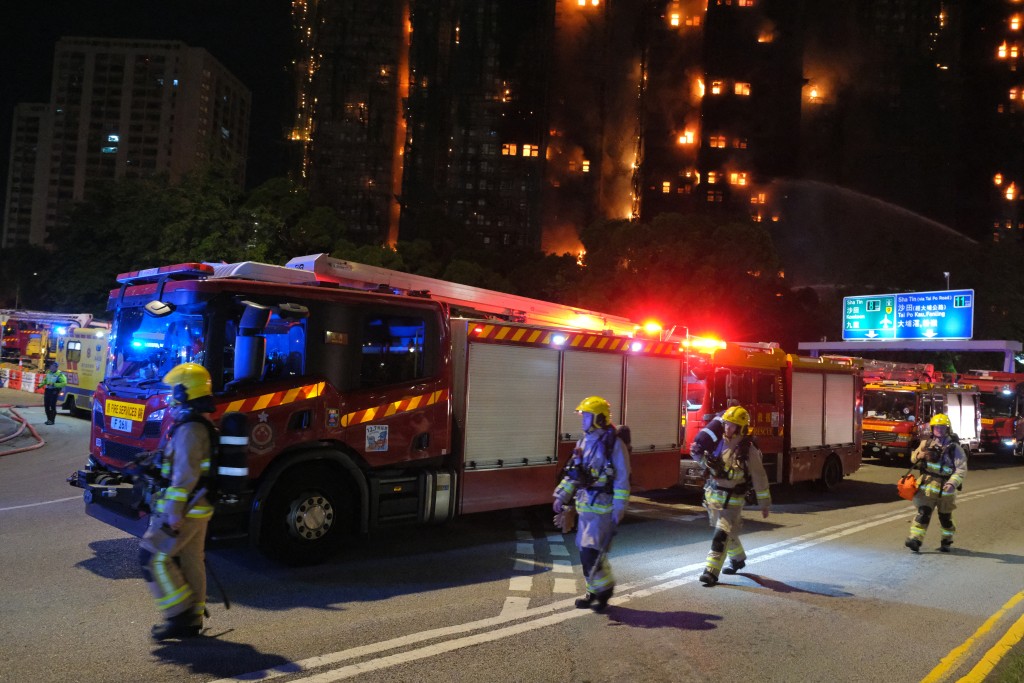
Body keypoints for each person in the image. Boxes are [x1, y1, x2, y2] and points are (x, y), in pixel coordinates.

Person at [140, 362, 216, 640]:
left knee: (151, 556)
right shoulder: (200, 425)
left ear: (185, 393)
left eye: (175, 391)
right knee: (192, 559)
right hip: (200, 507)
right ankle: (193, 618)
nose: (171, 398)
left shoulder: (190, 429)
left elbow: (186, 474)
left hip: (186, 510)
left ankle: (178, 616)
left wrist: (173, 512)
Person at [553, 396, 631, 612]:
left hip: (603, 508)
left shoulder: (614, 445)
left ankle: (603, 590)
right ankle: (594, 591)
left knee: (590, 552)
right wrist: (561, 496)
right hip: (585, 506)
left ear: (599, 418)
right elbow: (574, 474)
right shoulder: (583, 442)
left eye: (587, 416)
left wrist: (619, 508)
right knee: (585, 552)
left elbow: (622, 479)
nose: (583, 420)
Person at [692, 405, 771, 586]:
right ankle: (737, 559)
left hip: (733, 501)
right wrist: (699, 457)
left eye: (732, 425)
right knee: (729, 533)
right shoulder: (719, 443)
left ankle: (711, 572)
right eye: (726, 424)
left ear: (741, 428)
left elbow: (759, 476)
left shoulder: (747, 449)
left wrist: (764, 503)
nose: (727, 428)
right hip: (714, 498)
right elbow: (709, 466)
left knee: (721, 534)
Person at [904, 413, 967, 553]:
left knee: (945, 518)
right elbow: (913, 459)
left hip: (946, 489)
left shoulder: (954, 448)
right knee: (923, 513)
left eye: (942, 427)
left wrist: (952, 483)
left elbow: (961, 469)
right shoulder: (926, 443)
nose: (939, 430)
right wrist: (919, 455)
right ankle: (915, 539)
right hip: (927, 486)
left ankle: (947, 540)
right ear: (932, 428)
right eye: (937, 427)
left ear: (947, 429)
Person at [41, 360, 67, 425]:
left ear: (56, 367)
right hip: (48, 390)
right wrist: (39, 386)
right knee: (46, 406)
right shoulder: (49, 373)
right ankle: (48, 419)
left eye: (52, 366)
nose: (51, 368)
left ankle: (52, 420)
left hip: (54, 391)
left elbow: (64, 383)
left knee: (52, 406)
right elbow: (45, 381)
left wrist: (54, 384)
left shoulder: (60, 374)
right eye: (50, 366)